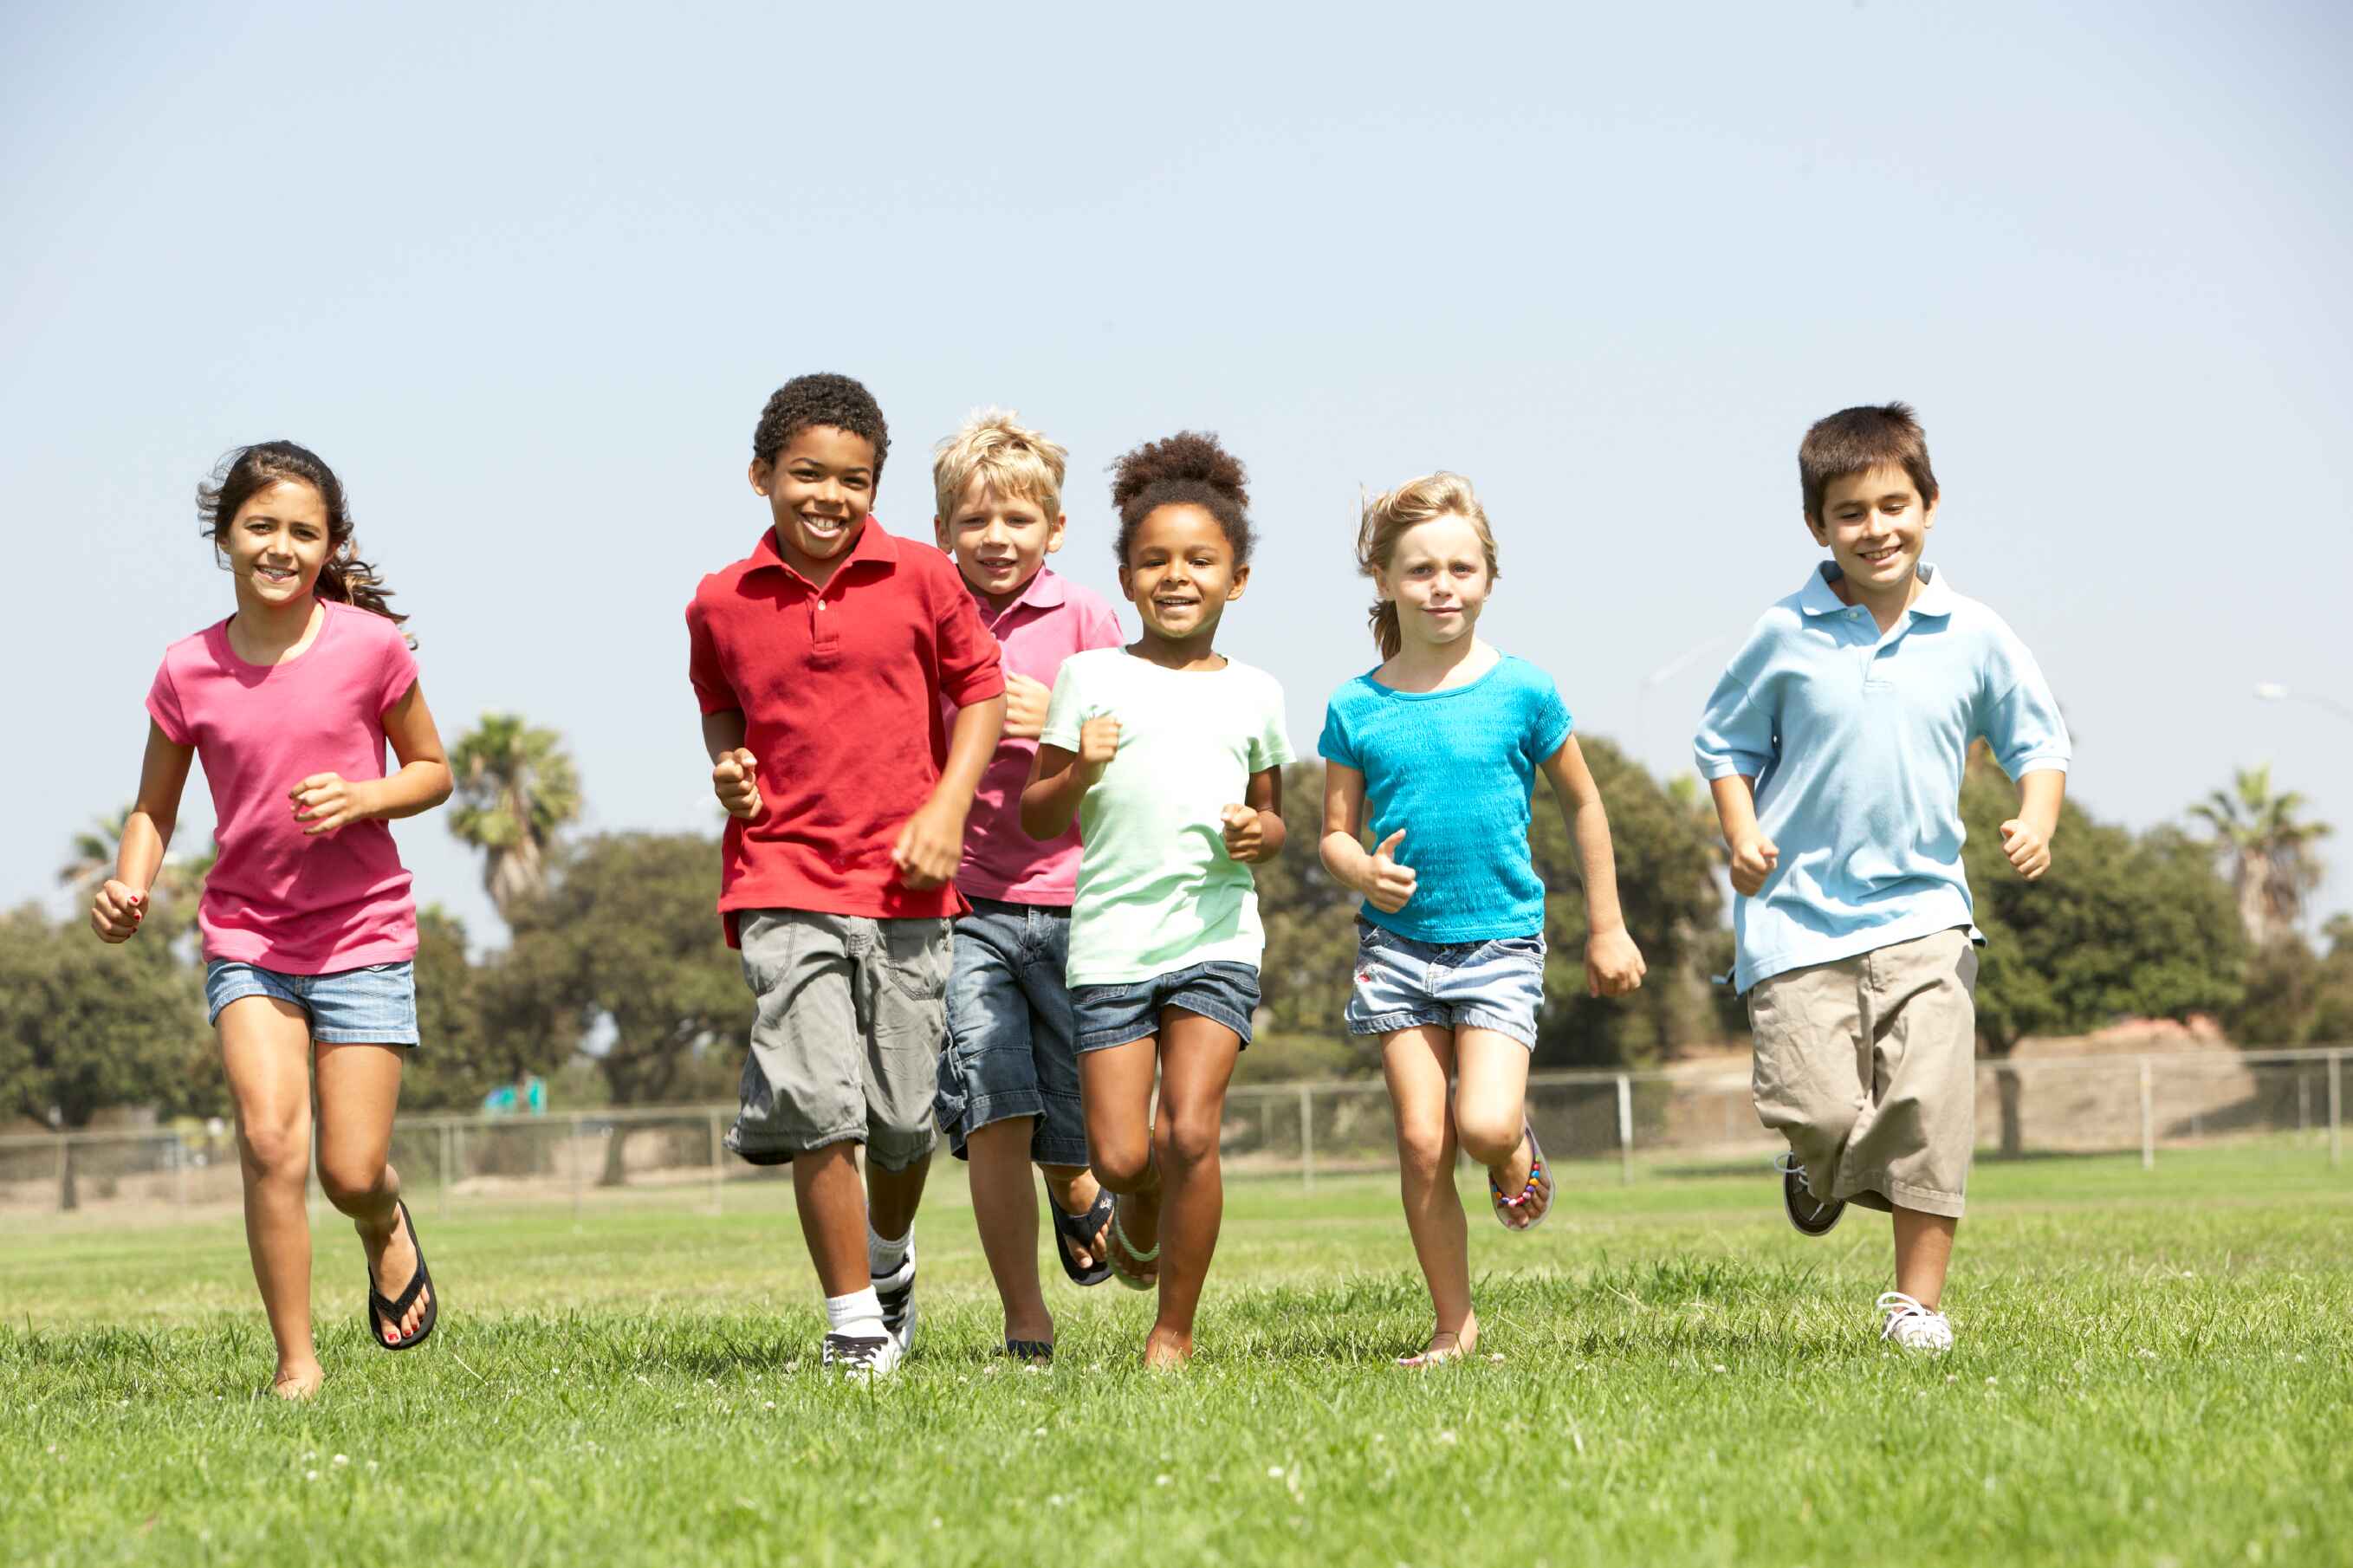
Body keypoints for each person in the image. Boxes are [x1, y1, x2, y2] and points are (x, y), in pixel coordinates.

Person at [1693, 402, 2070, 1352]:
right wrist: (1740, 835)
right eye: (1851, 512)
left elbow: (2038, 738)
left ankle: (1916, 1306)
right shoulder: (1783, 632)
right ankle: (1816, 1169)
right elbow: (1723, 742)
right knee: (1815, 1109)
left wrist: (2035, 815)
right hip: (1792, 922)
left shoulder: (1973, 632)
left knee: (1928, 1103)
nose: (1876, 528)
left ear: (1930, 504)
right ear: (1819, 526)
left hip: (1924, 913)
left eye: (1894, 504)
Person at [91, 441, 452, 1397]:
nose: (280, 546)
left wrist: (365, 798)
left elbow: (432, 770)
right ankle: (298, 1363)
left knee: (347, 1167)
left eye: (303, 530)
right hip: (247, 937)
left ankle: (381, 1221)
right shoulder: (186, 669)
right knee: (268, 1141)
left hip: (363, 936)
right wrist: (129, 883)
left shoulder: (369, 648)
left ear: (329, 543)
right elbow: (153, 809)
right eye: (260, 527)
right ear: (225, 538)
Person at [686, 373, 1006, 1377]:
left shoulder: (921, 577)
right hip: (781, 876)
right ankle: (852, 1324)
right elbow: (721, 705)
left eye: (853, 480)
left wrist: (947, 811)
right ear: (761, 476)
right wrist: (730, 769)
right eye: (805, 475)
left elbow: (982, 691)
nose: (828, 496)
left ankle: (887, 1255)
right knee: (817, 1102)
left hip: (909, 885)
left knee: (904, 1120)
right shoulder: (720, 601)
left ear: (878, 486)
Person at [1319, 471, 1646, 1367]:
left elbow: (1583, 805)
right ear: (1383, 578)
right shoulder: (1356, 705)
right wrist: (1361, 869)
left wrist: (1606, 927)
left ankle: (1512, 1153)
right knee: (1423, 1141)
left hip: (1500, 940)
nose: (1442, 586)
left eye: (1461, 567)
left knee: (1483, 1125)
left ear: (1488, 577)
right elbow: (1333, 837)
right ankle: (1451, 1328)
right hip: (1395, 949)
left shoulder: (1524, 691)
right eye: (1420, 569)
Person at [1021, 431, 1292, 1367]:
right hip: (1110, 944)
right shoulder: (1089, 678)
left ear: (1237, 579)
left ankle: (1171, 1331)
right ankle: (1133, 1217)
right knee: (1126, 1158)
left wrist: (1263, 837)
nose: (1177, 576)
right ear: (1128, 577)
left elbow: (1271, 818)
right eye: (1155, 560)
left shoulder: (1258, 693)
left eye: (1200, 561)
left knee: (1189, 1131)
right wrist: (1079, 762)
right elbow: (1036, 810)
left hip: (1217, 935)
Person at [927, 409, 1125, 1362]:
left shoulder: (1086, 618)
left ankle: (1076, 1181)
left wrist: (1063, 718)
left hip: (1081, 898)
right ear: (942, 533)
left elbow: (1134, 747)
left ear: (1053, 528)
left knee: (1079, 1119)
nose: (996, 539)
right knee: (993, 1105)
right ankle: (1024, 1318)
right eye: (974, 521)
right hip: (965, 907)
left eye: (1017, 520)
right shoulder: (925, 614)